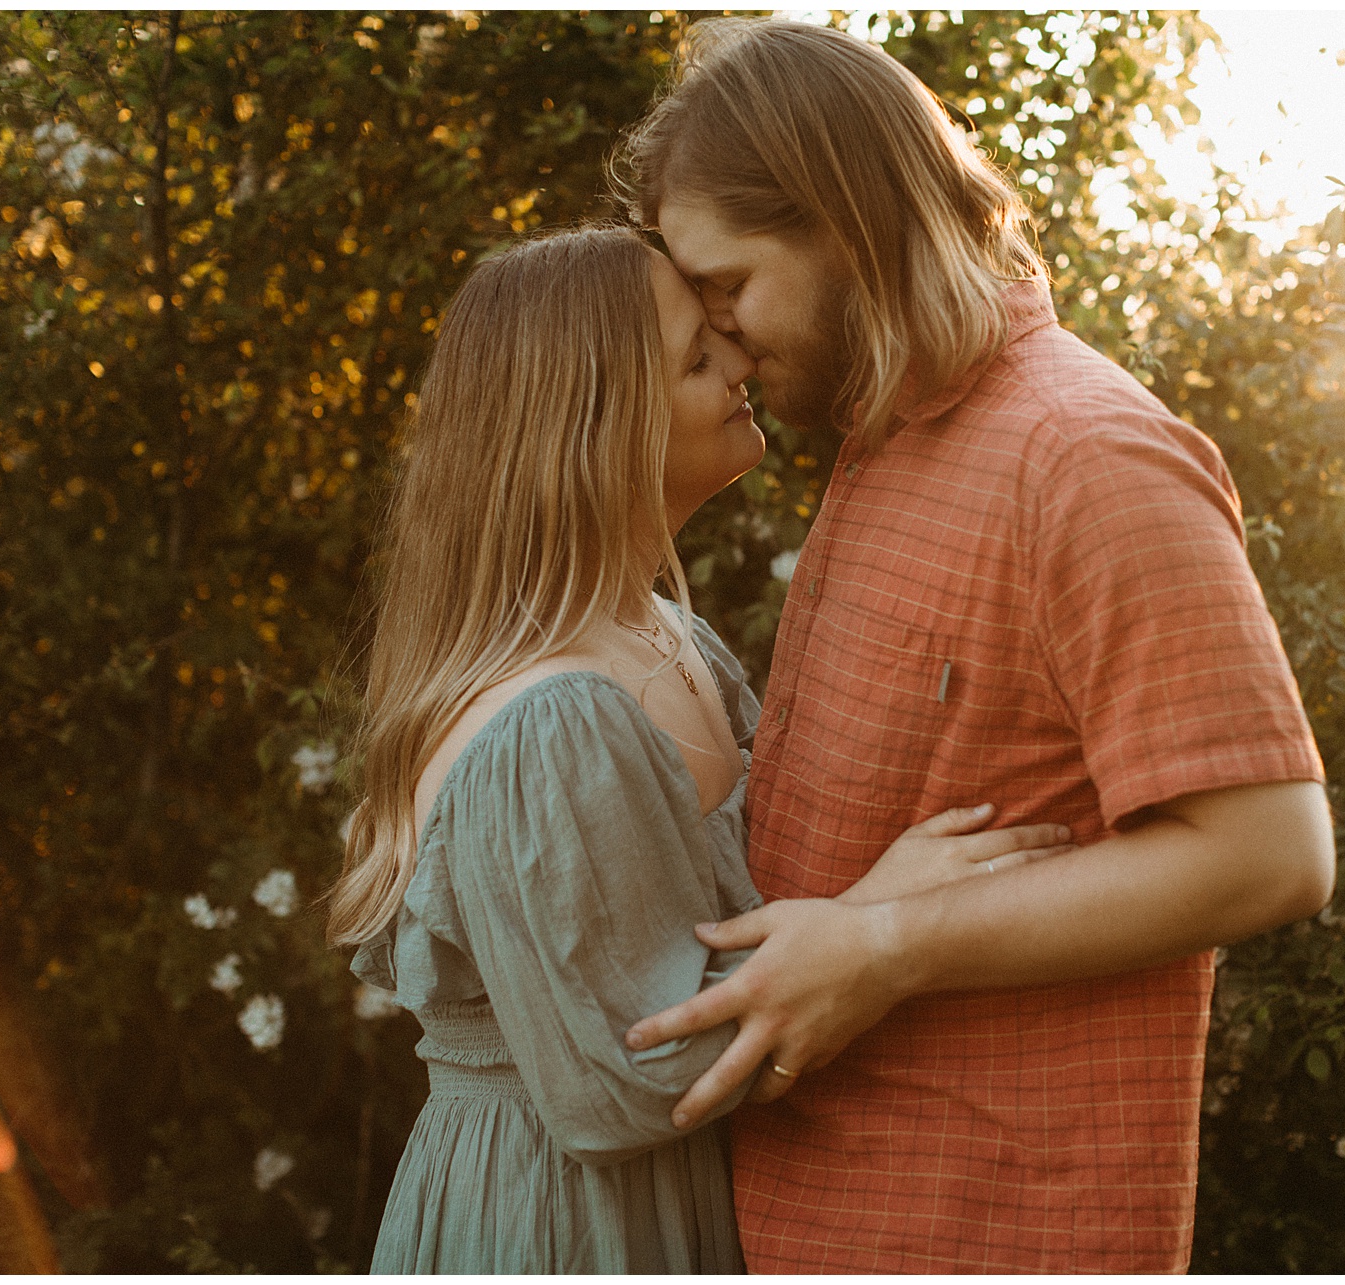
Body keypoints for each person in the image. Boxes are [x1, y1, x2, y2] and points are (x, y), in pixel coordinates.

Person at [612, 18, 1337, 1274]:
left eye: (727, 285)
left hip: (994, 1228)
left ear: (847, 220)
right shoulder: (884, 430)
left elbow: (1271, 853)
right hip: (810, 1220)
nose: (719, 336)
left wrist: (885, 945)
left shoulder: (1087, 455)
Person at [324, 225, 1071, 1273]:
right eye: (696, 357)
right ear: (595, 427)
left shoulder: (671, 641)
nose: (740, 364)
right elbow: (644, 1072)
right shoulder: (551, 721)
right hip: (563, 1223)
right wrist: (882, 920)